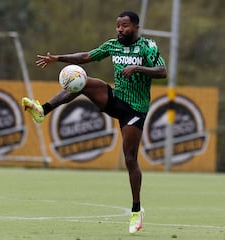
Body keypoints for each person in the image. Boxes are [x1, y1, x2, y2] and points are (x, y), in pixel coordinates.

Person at [22, 10, 167, 234]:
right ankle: (43, 110)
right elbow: (85, 57)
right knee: (82, 82)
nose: (120, 29)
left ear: (136, 27)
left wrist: (138, 68)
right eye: (118, 26)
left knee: (129, 158)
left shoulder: (147, 47)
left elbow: (162, 71)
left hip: (135, 110)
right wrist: (57, 58)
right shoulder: (112, 45)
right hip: (117, 100)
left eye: (125, 26)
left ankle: (136, 211)